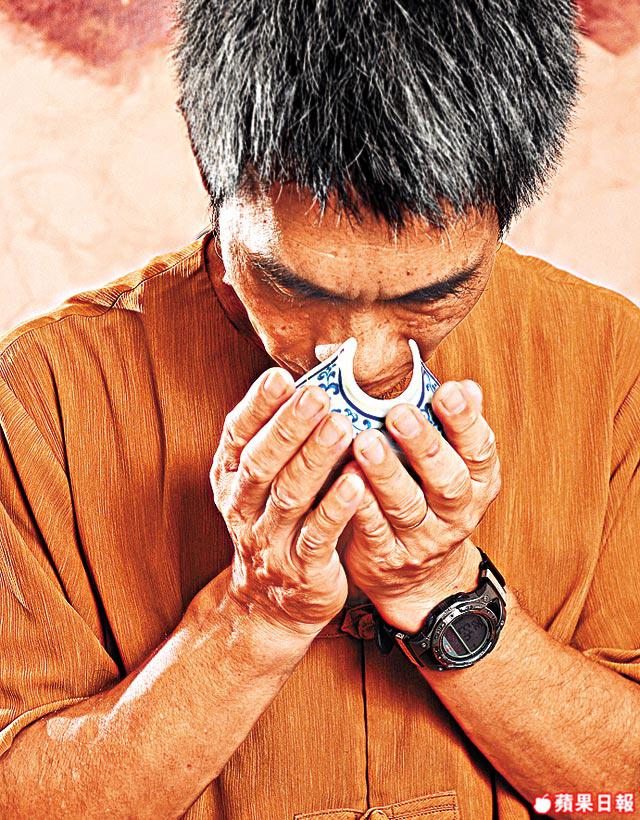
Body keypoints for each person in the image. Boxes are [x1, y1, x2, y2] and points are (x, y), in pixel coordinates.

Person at [1, 1, 638, 818]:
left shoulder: (615, 365)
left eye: (432, 297)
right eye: (293, 287)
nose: (363, 364)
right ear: (207, 163)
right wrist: (254, 616)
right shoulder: (40, 395)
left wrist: (443, 592)